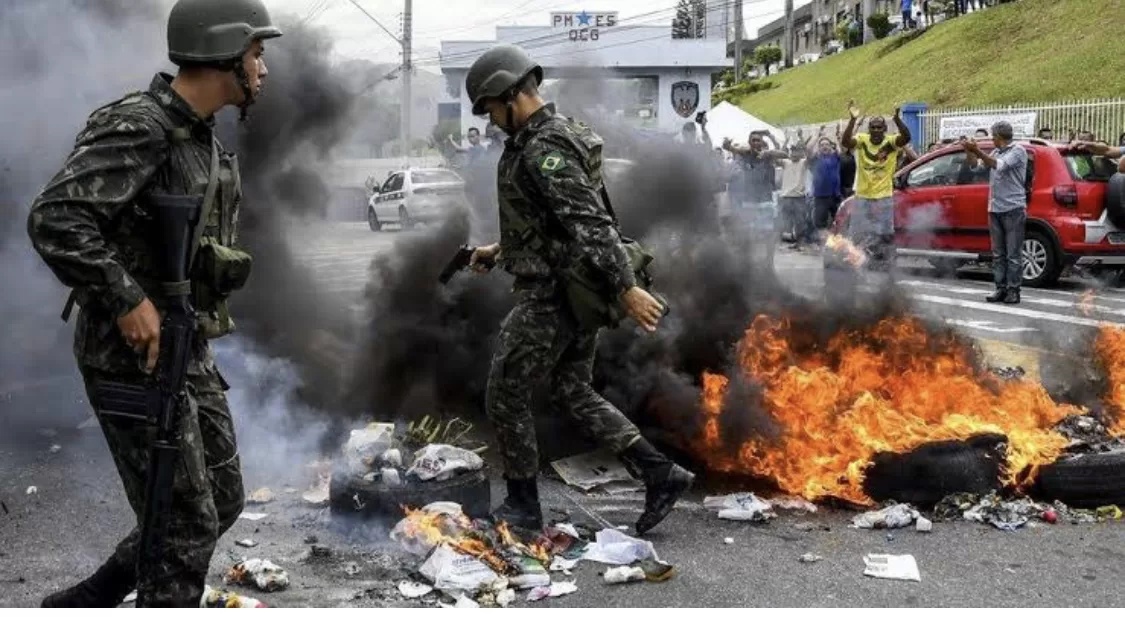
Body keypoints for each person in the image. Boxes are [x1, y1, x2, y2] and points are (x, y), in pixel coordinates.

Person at [25, 0, 279, 608]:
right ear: (225, 53)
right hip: (131, 357)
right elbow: (57, 218)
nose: (264, 69)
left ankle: (96, 593)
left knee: (221, 500)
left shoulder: (200, 139)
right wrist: (126, 299)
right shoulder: (141, 125)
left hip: (185, 348)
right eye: (257, 52)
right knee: (180, 525)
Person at [461, 44, 693, 536]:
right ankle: (660, 473)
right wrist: (498, 250)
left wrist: (626, 288)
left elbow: (589, 223)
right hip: (570, 286)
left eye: (490, 109)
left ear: (508, 94)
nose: (490, 120)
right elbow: (547, 225)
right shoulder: (548, 137)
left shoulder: (544, 148)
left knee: (505, 391)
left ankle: (523, 506)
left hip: (555, 293)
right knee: (571, 390)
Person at [961, 121, 1028, 304]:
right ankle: (1000, 288)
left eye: (992, 135)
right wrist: (968, 149)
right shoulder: (996, 151)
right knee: (998, 253)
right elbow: (975, 166)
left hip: (1013, 208)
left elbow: (998, 165)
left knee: (1013, 253)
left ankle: (1013, 290)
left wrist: (976, 150)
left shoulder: (1017, 151)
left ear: (999, 136)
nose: (991, 138)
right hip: (995, 208)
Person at [841, 102, 912, 268]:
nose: (876, 130)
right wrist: (852, 120)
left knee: (885, 233)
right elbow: (846, 142)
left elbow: (906, 138)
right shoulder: (862, 140)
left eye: (879, 127)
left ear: (884, 129)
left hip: (883, 195)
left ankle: (885, 261)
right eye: (873, 127)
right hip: (863, 195)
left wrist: (897, 120)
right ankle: (855, 261)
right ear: (869, 129)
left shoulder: (891, 142)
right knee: (857, 232)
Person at [723, 131, 790, 270]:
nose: (756, 143)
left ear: (762, 142)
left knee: (768, 235)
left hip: (765, 201)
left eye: (758, 140)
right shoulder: (746, 153)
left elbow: (785, 155)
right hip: (749, 202)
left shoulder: (768, 155)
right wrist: (727, 144)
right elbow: (730, 148)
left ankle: (769, 262)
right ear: (750, 143)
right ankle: (749, 263)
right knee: (749, 234)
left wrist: (768, 152)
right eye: (753, 140)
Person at [808, 136, 843, 238]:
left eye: (827, 144)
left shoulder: (835, 157)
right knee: (820, 224)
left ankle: (838, 244)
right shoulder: (815, 159)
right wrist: (818, 137)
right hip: (820, 197)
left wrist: (836, 138)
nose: (824, 147)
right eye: (822, 145)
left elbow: (843, 148)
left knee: (839, 221)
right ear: (819, 148)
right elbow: (809, 149)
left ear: (831, 147)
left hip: (835, 196)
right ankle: (823, 245)